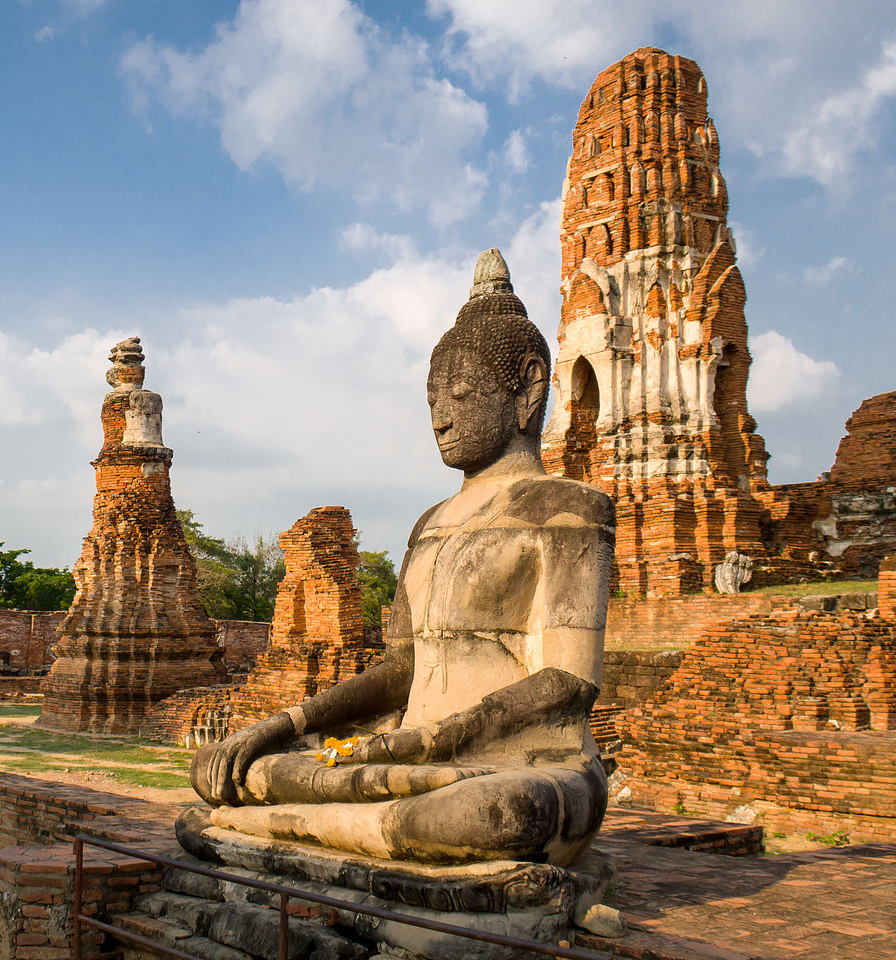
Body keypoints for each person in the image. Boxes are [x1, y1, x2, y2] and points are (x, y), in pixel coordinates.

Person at [186, 250, 614, 866]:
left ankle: (300, 832)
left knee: (496, 813)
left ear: (528, 386)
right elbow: (400, 670)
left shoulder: (568, 510)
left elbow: (569, 683)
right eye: (432, 398)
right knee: (231, 767)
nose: (441, 416)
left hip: (518, 763)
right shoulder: (429, 525)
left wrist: (438, 738)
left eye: (461, 394)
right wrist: (282, 724)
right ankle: (342, 825)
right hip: (402, 759)